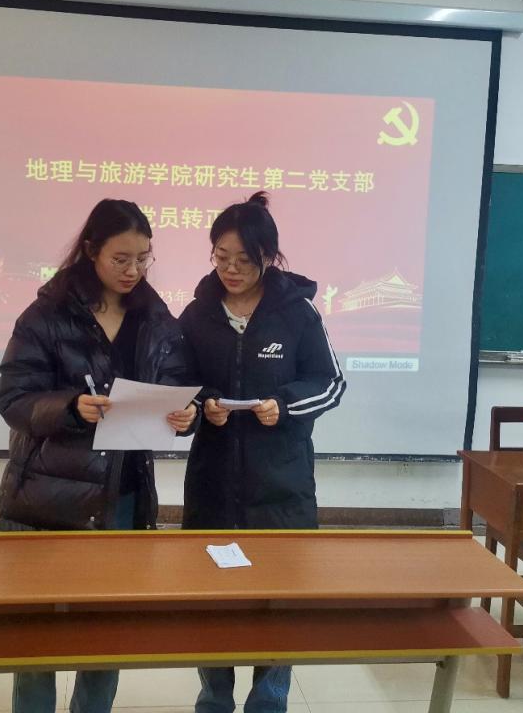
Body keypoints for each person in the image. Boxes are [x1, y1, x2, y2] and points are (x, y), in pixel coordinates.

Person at [0, 198, 197, 713]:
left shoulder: (156, 318)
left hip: (122, 496)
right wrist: (70, 407)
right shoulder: (46, 315)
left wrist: (184, 413)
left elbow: (175, 382)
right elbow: (13, 398)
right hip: (47, 497)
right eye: (121, 259)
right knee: (37, 639)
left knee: (108, 633)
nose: (134, 270)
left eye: (144, 258)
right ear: (90, 252)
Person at [179, 191, 346, 713]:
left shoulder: (297, 313)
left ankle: (268, 702)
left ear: (269, 258)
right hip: (212, 485)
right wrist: (204, 404)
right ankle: (214, 700)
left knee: (280, 603)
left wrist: (285, 405)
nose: (230, 269)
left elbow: (331, 383)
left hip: (281, 488)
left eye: (244, 260)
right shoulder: (196, 314)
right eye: (221, 257)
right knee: (212, 604)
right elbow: (179, 383)